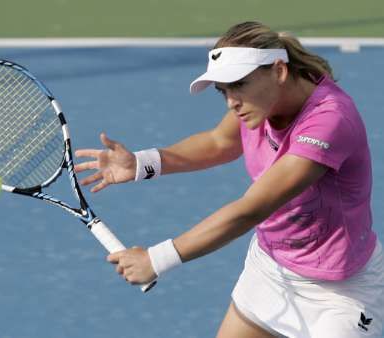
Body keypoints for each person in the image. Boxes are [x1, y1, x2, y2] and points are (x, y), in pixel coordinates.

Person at [74, 21, 384, 338]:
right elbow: (220, 142)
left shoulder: (329, 120)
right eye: (224, 90)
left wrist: (157, 258)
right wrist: (143, 162)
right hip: (272, 270)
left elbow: (251, 210)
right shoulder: (261, 102)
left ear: (278, 70)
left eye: (239, 84)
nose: (231, 101)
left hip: (342, 293)